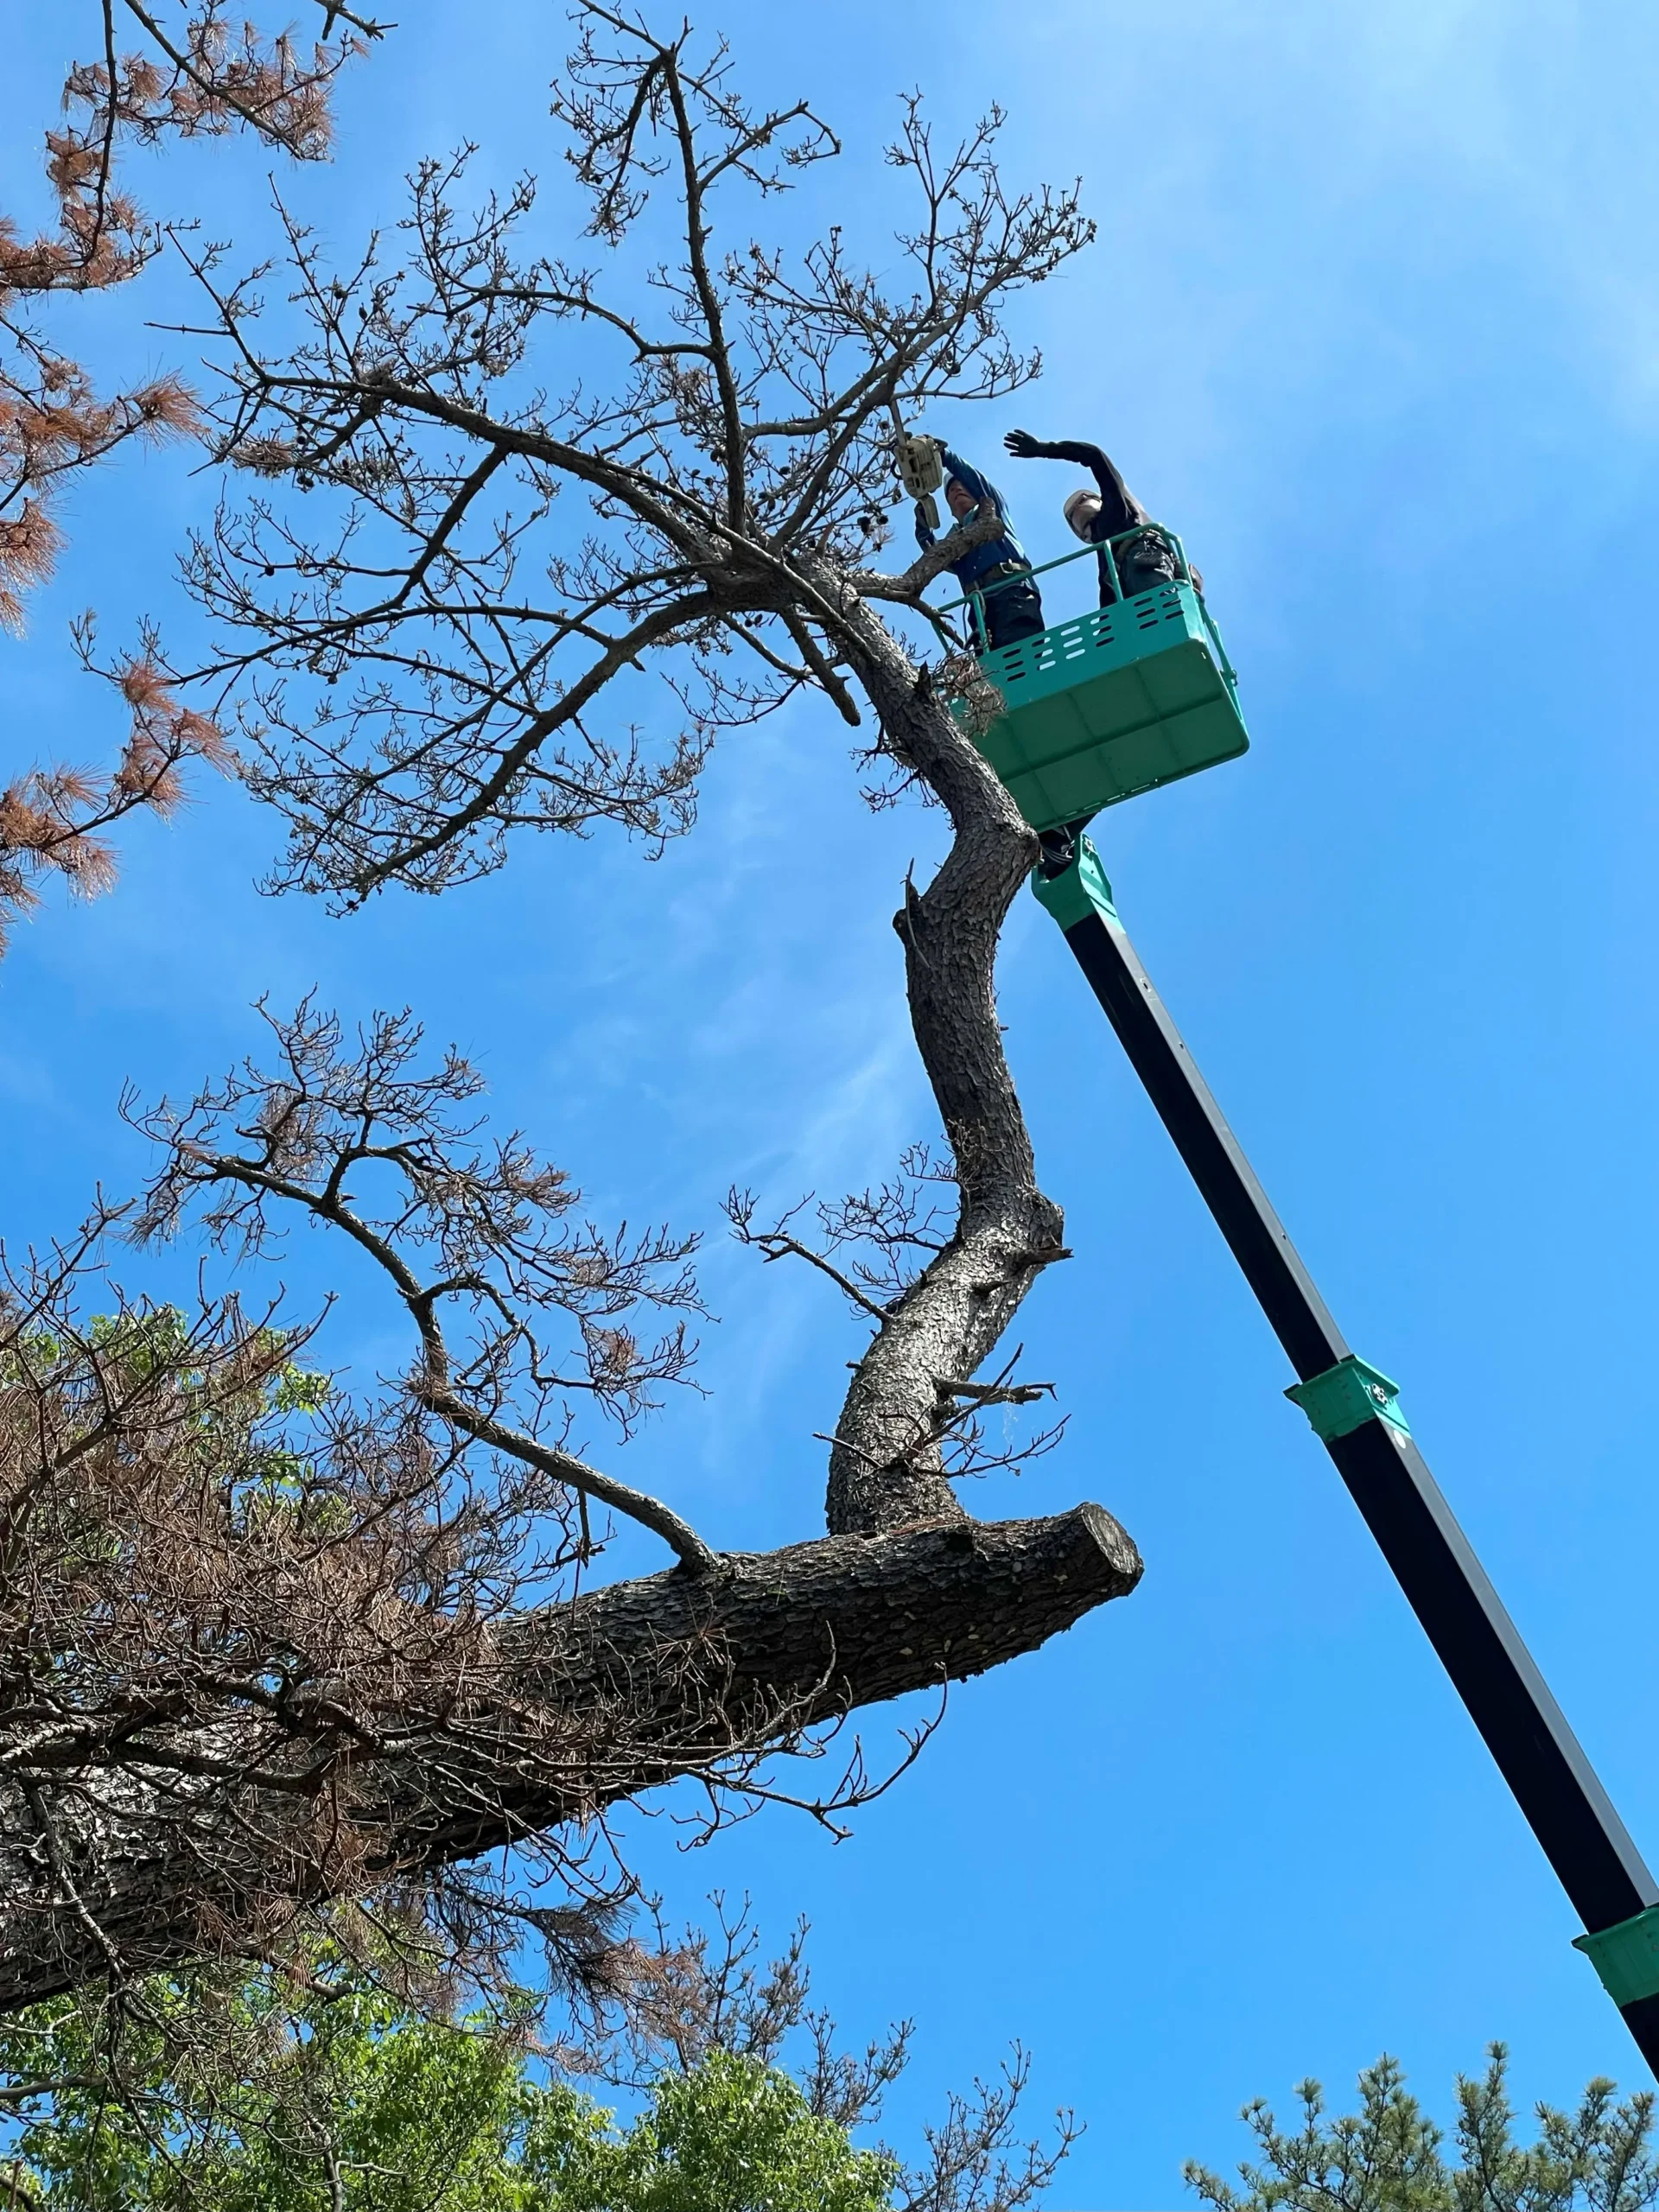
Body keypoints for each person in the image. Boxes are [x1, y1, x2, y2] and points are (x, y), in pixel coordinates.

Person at [1002, 429, 1185, 607]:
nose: (1077, 509)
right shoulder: (1105, 557)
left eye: (1082, 501)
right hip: (1130, 577)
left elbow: (1094, 456)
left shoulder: (1121, 509)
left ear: (1099, 501)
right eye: (1073, 515)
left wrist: (1044, 449)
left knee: (1163, 608)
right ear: (1084, 537)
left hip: (1145, 556)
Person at [914, 443, 1046, 654]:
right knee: (992, 674)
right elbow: (934, 555)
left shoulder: (994, 511)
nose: (957, 489)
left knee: (1023, 657)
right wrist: (923, 527)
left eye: (962, 485)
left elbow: (976, 480)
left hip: (1013, 592)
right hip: (980, 610)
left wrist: (945, 457)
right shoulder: (955, 541)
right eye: (950, 491)